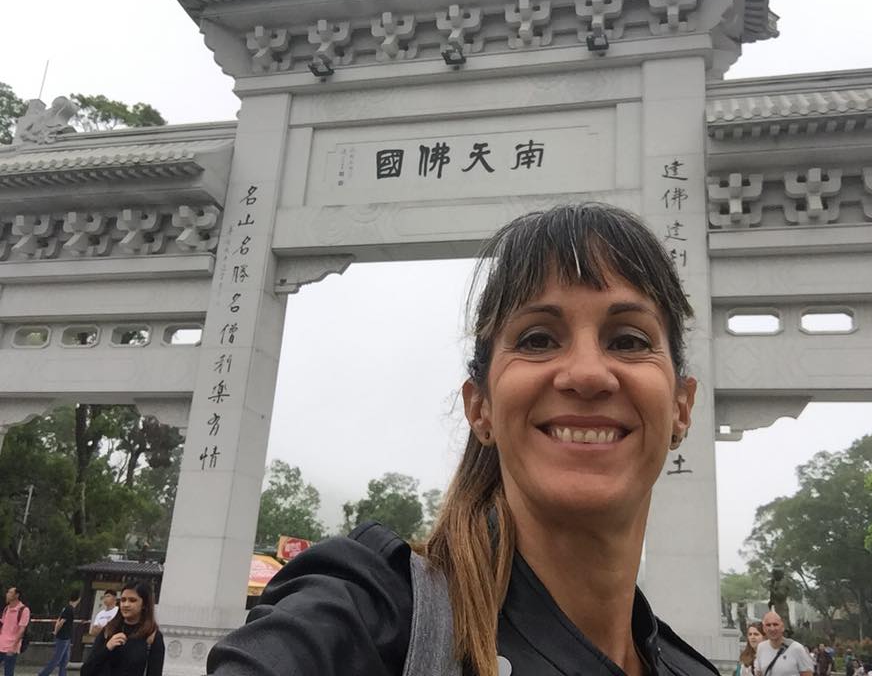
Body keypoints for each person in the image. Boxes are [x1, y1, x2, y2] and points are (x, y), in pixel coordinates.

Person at [206, 203, 713, 676]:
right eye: (538, 339)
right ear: (480, 408)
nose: (586, 374)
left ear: (681, 407)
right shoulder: (373, 614)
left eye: (629, 340)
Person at [81, 581, 164, 676]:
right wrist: (107, 648)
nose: (126, 604)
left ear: (144, 605)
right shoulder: (109, 630)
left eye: (132, 600)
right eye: (123, 600)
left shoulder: (152, 636)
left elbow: (155, 672)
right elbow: (86, 671)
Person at [756, 612, 813, 676]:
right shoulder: (761, 647)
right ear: (764, 629)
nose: (772, 629)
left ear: (782, 627)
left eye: (775, 624)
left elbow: (807, 674)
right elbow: (759, 673)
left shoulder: (797, 648)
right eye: (768, 625)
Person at [37, 592, 81, 676]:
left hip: (66, 637)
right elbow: (61, 621)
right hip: (63, 637)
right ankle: (43, 674)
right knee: (57, 658)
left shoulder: (66, 608)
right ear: (78, 599)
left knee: (65, 659)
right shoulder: (69, 609)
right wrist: (56, 631)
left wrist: (56, 630)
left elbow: (59, 619)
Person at [0, 586, 31, 676]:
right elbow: (3, 625)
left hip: (11, 646)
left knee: (8, 671)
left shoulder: (23, 610)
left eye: (10, 592)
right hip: (1, 643)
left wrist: (13, 647)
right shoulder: (6, 609)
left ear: (16, 595)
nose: (7, 594)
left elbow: (21, 630)